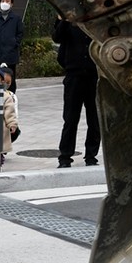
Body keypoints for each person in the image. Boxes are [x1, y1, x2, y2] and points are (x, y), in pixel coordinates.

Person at [52, 17, 100, 168]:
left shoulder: (96, 19)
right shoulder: (67, 19)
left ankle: (91, 156)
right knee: (70, 118)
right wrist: (64, 20)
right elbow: (57, 37)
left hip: (94, 76)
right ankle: (65, 156)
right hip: (74, 75)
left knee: (95, 119)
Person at [0, 0, 24, 92]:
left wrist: (15, 43)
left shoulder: (16, 18)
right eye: (3, 1)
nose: (5, 3)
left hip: (10, 53)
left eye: (7, 1)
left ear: (12, 4)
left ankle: (11, 98)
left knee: (10, 78)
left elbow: (20, 34)